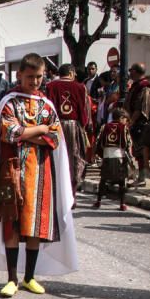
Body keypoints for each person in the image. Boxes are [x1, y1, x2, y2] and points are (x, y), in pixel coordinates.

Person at [0, 52, 78, 298]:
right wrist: (40, 130)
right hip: (13, 172)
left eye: (38, 77)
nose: (35, 82)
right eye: (30, 77)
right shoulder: (10, 102)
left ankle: (30, 277)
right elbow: (9, 131)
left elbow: (56, 137)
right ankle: (12, 278)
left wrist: (31, 133)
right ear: (19, 75)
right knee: (12, 224)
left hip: (41, 175)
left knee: (36, 225)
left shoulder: (47, 105)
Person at [44, 64, 90, 203]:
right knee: (75, 159)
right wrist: (84, 126)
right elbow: (84, 110)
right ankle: (72, 196)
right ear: (71, 73)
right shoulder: (80, 87)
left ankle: (56, 194)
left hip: (56, 125)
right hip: (73, 125)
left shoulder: (50, 86)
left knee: (55, 157)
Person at [93, 107, 133, 211]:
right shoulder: (124, 128)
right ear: (121, 118)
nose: (126, 121)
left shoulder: (104, 127)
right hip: (120, 157)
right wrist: (131, 159)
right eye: (125, 119)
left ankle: (98, 201)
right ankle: (122, 203)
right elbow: (128, 144)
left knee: (103, 179)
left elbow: (98, 142)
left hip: (107, 157)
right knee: (122, 181)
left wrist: (97, 155)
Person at [125, 62, 150, 186]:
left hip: (141, 124)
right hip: (134, 123)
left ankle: (143, 178)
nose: (129, 72)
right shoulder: (135, 86)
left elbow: (141, 108)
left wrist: (131, 122)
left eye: (131, 70)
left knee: (141, 151)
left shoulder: (144, 87)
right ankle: (139, 176)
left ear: (136, 71)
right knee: (137, 152)